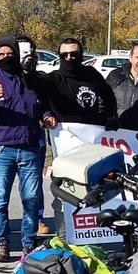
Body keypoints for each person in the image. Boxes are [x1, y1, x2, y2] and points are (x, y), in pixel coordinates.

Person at [38, 37, 118, 234]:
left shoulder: (92, 75)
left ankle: (95, 235)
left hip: (93, 141)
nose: (69, 58)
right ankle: (65, 236)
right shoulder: (54, 79)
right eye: (65, 55)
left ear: (81, 55)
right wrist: (46, 114)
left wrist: (110, 115)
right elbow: (38, 92)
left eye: (74, 54)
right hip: (65, 140)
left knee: (96, 188)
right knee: (66, 189)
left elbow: (108, 95)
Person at [0, 36, 44, 262]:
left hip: (30, 148)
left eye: (10, 53)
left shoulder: (29, 80)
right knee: (0, 198)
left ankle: (28, 244)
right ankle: (2, 243)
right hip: (2, 149)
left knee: (31, 198)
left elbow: (41, 105)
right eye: (1, 54)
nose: (6, 57)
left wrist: (48, 116)